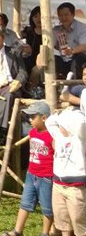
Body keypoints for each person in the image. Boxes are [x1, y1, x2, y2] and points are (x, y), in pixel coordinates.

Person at [0, 101, 54, 236]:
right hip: (32, 174)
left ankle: (45, 233)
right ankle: (17, 231)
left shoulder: (52, 135)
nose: (29, 120)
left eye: (32, 117)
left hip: (47, 176)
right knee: (25, 203)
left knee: (47, 208)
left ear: (44, 118)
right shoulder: (32, 133)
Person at [45, 98, 86, 236]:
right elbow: (49, 121)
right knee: (64, 226)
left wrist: (70, 114)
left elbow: (81, 123)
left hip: (76, 186)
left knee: (80, 227)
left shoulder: (80, 138)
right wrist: (60, 113)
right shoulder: (58, 135)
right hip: (58, 184)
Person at [54, 2, 86, 80]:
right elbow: (50, 45)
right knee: (52, 59)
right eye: (60, 15)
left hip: (78, 59)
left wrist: (71, 51)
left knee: (78, 58)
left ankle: (72, 85)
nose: (63, 17)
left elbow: (84, 46)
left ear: (73, 14)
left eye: (66, 14)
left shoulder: (82, 27)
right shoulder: (55, 30)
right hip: (63, 59)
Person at [21, 7, 43, 94]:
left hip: (42, 60)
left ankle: (31, 90)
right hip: (28, 59)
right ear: (31, 18)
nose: (38, 19)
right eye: (35, 16)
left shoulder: (49, 32)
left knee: (36, 70)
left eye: (41, 16)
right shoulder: (27, 31)